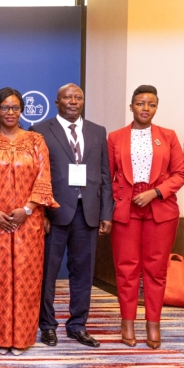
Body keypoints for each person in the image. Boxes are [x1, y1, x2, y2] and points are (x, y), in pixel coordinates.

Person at [0, 87, 57, 355]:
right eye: (5, 108)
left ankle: (21, 337)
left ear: (21, 110)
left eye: (15, 108)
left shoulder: (35, 140)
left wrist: (28, 209)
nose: (10, 112)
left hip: (28, 223)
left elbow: (43, 178)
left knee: (26, 280)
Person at [32, 83, 112, 348]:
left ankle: (78, 325)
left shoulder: (97, 131)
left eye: (78, 97)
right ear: (57, 102)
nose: (74, 101)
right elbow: (35, 177)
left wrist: (105, 212)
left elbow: (104, 175)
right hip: (53, 214)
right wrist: (39, 212)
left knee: (83, 273)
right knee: (47, 273)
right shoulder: (40, 130)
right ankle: (47, 324)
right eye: (68, 97)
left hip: (87, 213)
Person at [107, 85, 184, 349]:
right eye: (140, 103)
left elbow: (180, 173)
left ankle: (153, 323)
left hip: (159, 208)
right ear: (131, 106)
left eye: (151, 104)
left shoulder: (168, 136)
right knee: (126, 268)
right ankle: (127, 322)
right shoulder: (116, 137)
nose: (145, 108)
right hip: (125, 208)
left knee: (156, 270)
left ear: (156, 107)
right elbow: (107, 176)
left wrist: (155, 193)